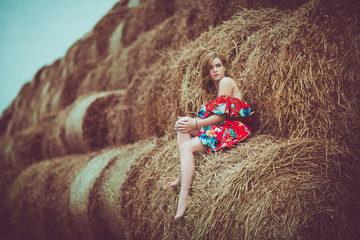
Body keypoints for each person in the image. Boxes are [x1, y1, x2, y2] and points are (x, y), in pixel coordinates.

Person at [168, 52, 253, 221]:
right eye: (211, 67)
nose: (215, 70)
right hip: (223, 127)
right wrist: (190, 122)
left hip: (234, 129)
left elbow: (222, 117)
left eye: (218, 66)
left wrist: (196, 123)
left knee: (187, 146)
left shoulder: (225, 81)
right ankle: (183, 172)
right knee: (181, 127)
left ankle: (184, 197)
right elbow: (216, 119)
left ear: (225, 67)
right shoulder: (217, 87)